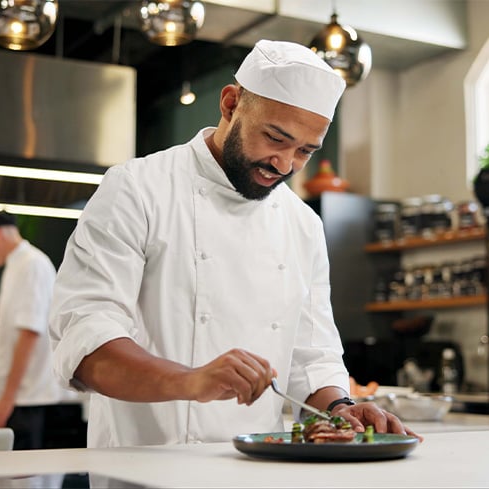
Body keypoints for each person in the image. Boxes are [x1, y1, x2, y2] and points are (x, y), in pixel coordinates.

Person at [49, 40, 422, 448]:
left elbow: (312, 358)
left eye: (305, 151)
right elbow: (86, 340)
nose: (285, 165)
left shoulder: (303, 224)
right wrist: (191, 380)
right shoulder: (138, 188)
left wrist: (338, 408)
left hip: (257, 467)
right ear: (230, 104)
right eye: (275, 138)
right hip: (146, 465)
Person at [0, 211, 69, 450]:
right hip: (18, 399)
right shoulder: (17, 265)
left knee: (23, 482)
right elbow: (19, 336)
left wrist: (7, 398)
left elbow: (30, 334)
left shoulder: (32, 265)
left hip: (24, 401)